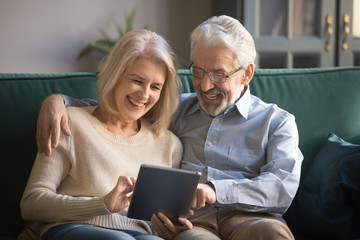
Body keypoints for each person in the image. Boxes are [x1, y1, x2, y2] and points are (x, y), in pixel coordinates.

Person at [36, 15, 303, 240]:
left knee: (271, 234)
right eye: (198, 71)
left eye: (219, 75)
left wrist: (214, 190)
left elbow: (281, 188)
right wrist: (59, 101)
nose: (205, 86)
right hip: (193, 224)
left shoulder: (277, 122)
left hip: (252, 217)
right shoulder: (177, 110)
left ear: (246, 73)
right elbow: (118, 108)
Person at [20, 29, 185, 240]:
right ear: (115, 75)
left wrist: (173, 229)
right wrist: (102, 204)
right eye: (137, 80)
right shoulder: (70, 122)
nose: (144, 95)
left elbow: (162, 220)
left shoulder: (170, 145)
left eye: (155, 87)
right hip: (72, 228)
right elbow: (31, 203)